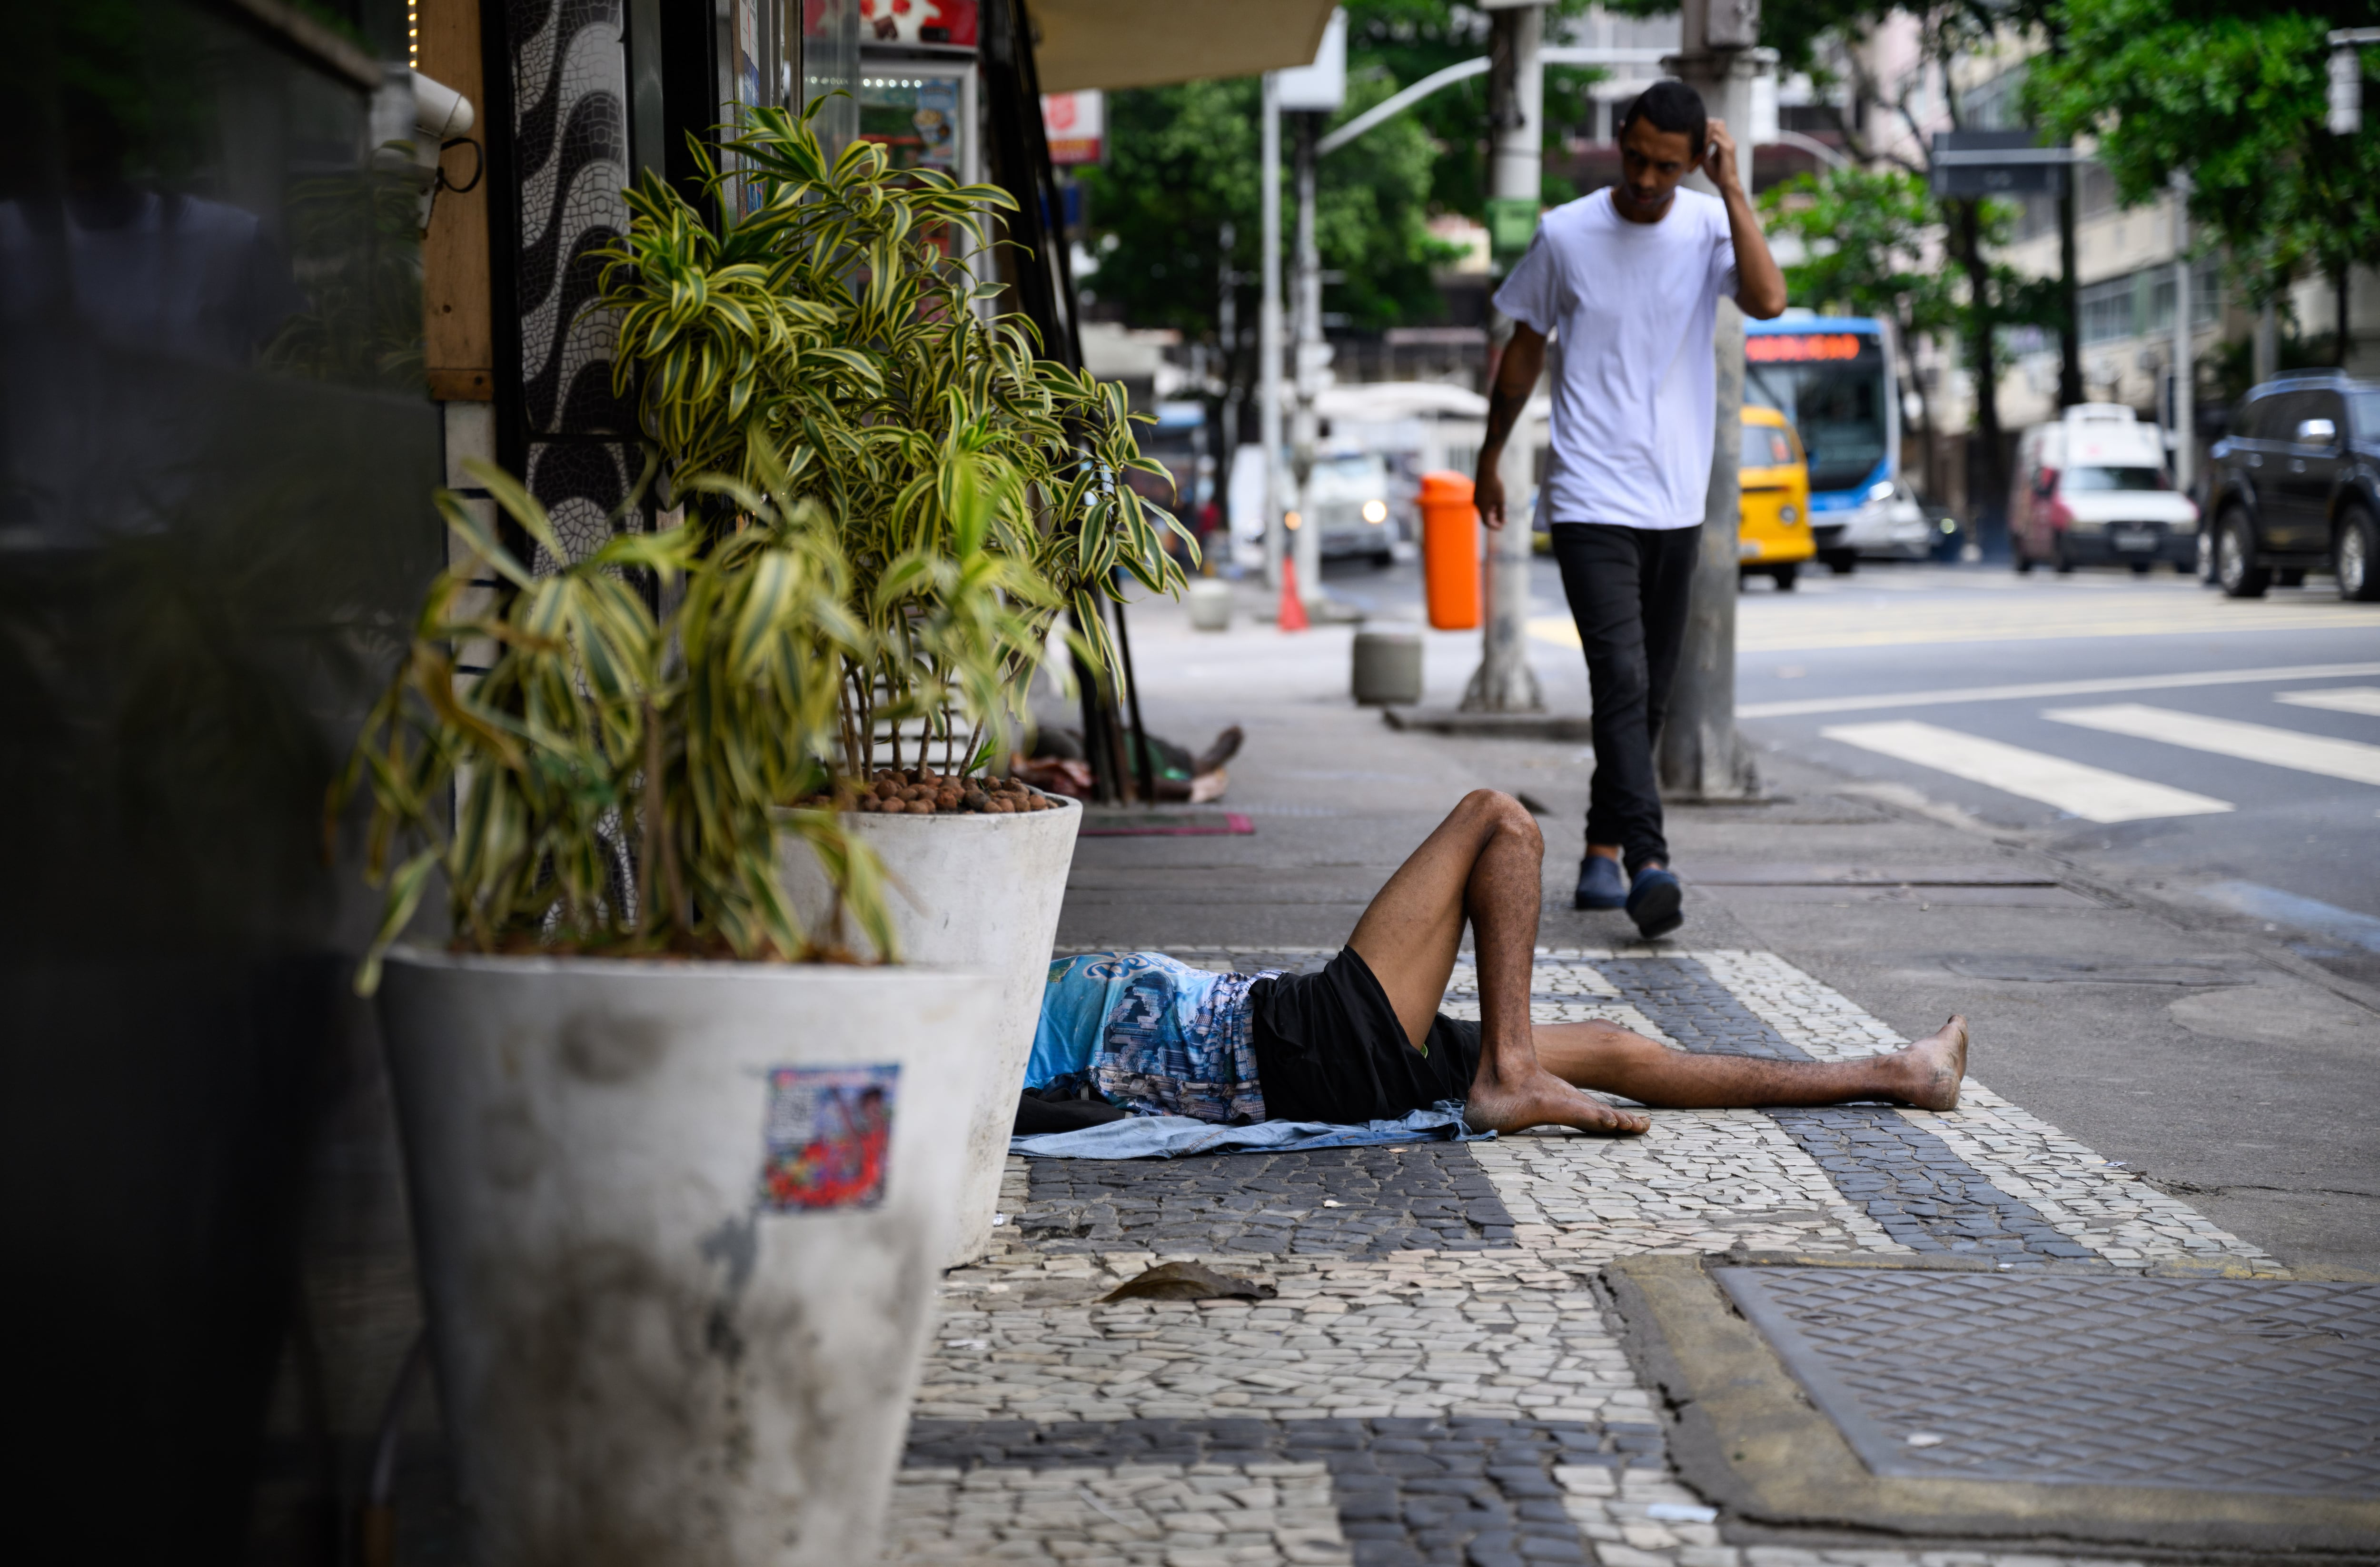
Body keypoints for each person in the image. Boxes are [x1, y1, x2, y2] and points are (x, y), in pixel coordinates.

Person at [1019, 791, 1968, 1137]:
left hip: (1307, 1047)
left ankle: (1897, 1073)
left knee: (1605, 1043)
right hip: (1286, 1043)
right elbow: (1031, 1111)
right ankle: (1510, 1072)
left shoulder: (975, 995)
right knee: (1497, 820)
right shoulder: (980, 1050)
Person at [1473, 81, 1789, 940]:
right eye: (1638, 157)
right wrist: (1490, 456)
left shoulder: (1709, 225)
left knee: (1646, 694)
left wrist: (1732, 188)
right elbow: (1523, 352)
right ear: (1621, 139)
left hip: (1676, 497)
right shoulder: (1566, 233)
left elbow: (1767, 300)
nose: (1648, 178)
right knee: (1618, 678)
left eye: (1669, 166)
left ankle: (1600, 851)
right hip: (1587, 494)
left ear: (1694, 162)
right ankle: (1649, 859)